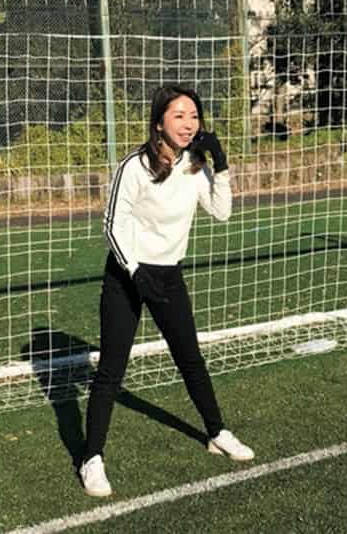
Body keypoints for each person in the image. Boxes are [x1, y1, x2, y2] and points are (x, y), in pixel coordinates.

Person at [78, 84, 254, 498]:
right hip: (127, 276)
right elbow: (112, 224)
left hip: (169, 276)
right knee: (111, 371)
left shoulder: (195, 165)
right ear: (159, 122)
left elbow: (222, 212)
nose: (188, 124)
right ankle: (91, 458)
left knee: (190, 359)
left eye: (194, 116)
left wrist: (221, 165)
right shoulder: (134, 166)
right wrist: (134, 271)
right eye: (179, 115)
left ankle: (217, 433)